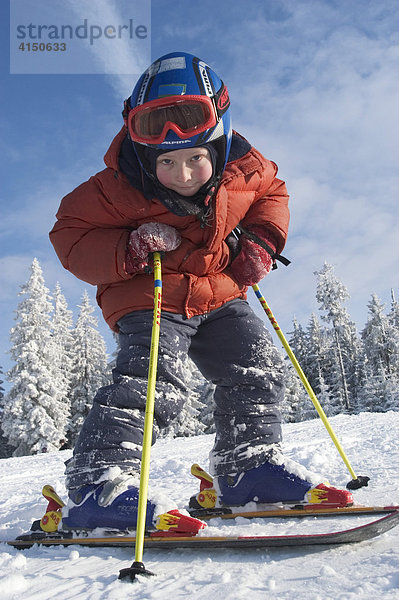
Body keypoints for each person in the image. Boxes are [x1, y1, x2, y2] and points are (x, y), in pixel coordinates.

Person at [50, 52, 353, 531]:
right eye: (167, 162)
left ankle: (246, 467)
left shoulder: (245, 171)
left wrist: (261, 240)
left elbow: (273, 196)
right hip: (151, 294)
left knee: (257, 369)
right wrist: (127, 247)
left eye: (195, 158)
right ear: (146, 154)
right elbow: (70, 235)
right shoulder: (114, 188)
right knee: (153, 383)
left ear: (219, 141)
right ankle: (98, 484)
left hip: (221, 291)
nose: (184, 174)